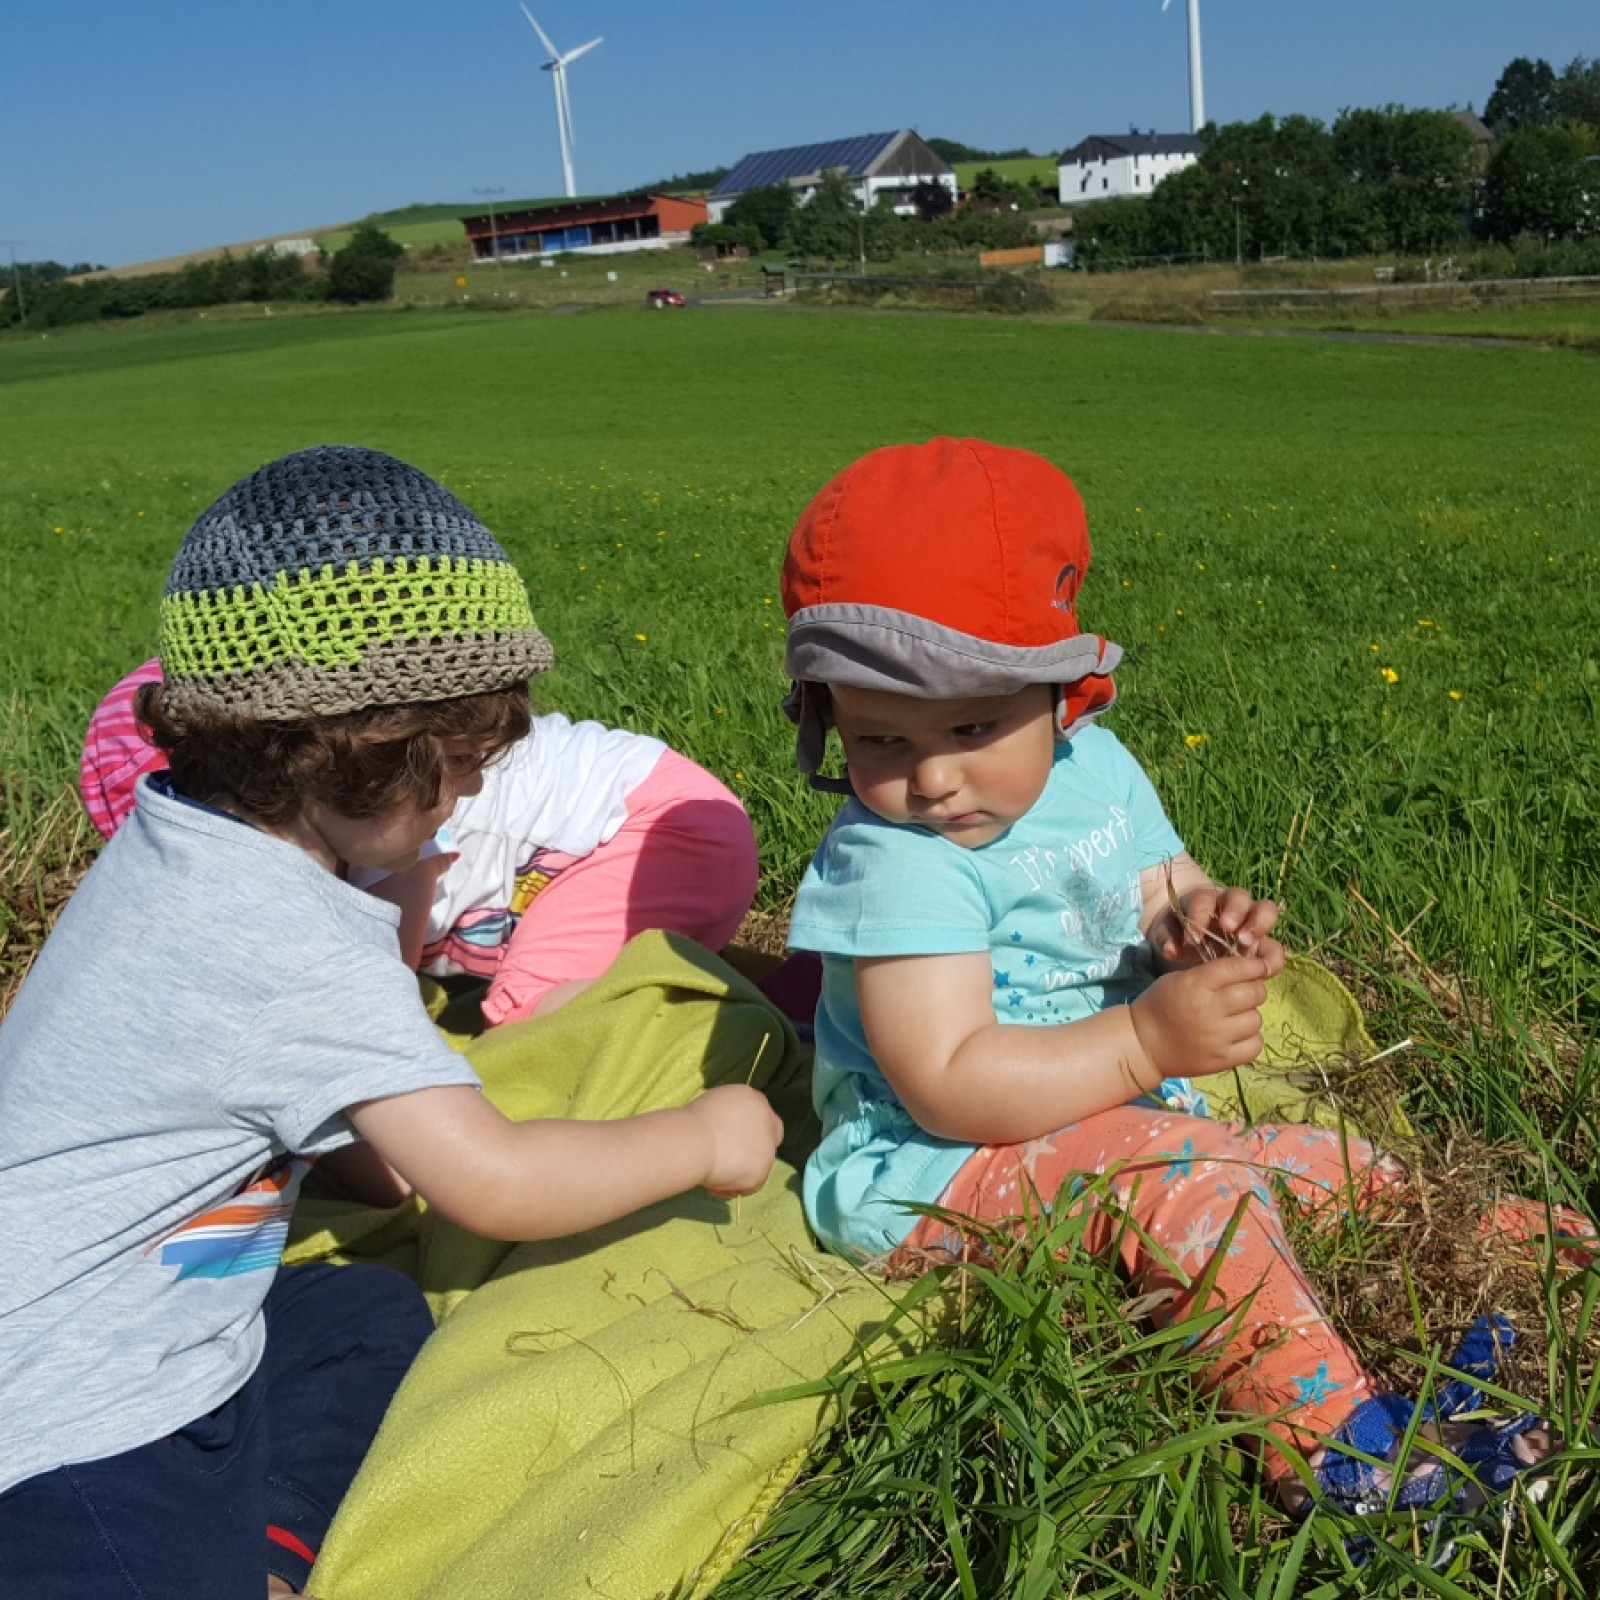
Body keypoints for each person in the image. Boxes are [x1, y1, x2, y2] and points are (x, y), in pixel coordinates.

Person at [0, 446, 783, 1599]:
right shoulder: (288, 937)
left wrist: (374, 1161)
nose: (468, 796)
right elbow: (495, 1184)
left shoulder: (177, 838)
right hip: (77, 1410)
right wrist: (706, 1137)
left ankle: (269, 1549)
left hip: (148, 1314)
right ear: (356, 753)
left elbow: (334, 1131)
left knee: (362, 1312)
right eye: (457, 766)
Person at [777, 436, 1589, 1529]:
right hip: (935, 1171)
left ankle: (1499, 1255)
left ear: (1063, 693)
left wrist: (1194, 921)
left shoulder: (1096, 770)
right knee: (1183, 1180)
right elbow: (948, 1083)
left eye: (972, 727)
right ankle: (1340, 1457)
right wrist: (1144, 1044)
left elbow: (1159, 881)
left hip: (1112, 1118)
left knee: (1320, 1164)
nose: (930, 777)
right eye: (878, 737)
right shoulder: (894, 858)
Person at [81, 677, 760, 1027]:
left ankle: (735, 1033)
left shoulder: (380, 810)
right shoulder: (346, 802)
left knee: (527, 1019)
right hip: (661, 819)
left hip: (658, 827)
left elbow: (383, 987)